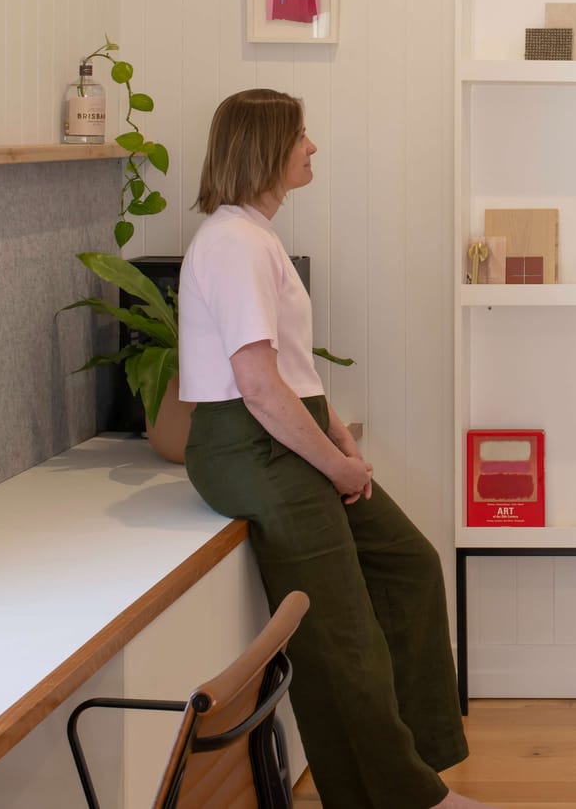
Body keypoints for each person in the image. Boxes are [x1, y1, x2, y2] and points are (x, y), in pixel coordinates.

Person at [178, 88, 493, 809]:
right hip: (250, 447)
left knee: (410, 567)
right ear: (265, 148)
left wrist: (334, 431)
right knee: (340, 629)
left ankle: (416, 767)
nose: (312, 147)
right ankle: (407, 799)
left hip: (288, 436)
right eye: (301, 135)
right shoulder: (230, 243)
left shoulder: (253, 237)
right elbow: (255, 387)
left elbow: (283, 368)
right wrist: (336, 464)